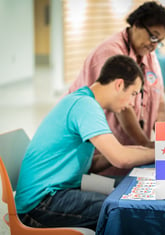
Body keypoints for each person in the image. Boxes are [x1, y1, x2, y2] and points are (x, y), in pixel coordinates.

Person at [15, 55, 155, 231]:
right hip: (40, 203)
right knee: (123, 208)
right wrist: (160, 153)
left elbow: (91, 164)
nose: (132, 103)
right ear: (119, 85)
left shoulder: (82, 101)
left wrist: (137, 150)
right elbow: (120, 159)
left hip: (60, 189)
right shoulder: (85, 106)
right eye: (133, 94)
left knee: (131, 184)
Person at [68, 1, 165, 151]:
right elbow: (123, 106)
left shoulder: (149, 55)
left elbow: (159, 101)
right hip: (98, 146)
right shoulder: (111, 52)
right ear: (137, 24)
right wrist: (144, 143)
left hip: (132, 146)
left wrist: (164, 143)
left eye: (160, 41)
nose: (154, 45)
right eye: (153, 37)